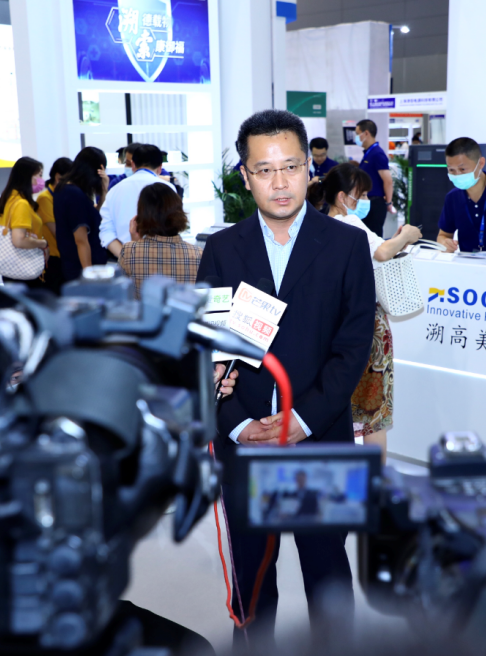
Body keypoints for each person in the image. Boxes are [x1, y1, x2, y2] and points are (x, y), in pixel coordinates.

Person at [196, 109, 375, 651]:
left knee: (327, 577)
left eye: (291, 166)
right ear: (245, 176)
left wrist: (302, 420)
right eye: (265, 169)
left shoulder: (346, 245)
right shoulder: (222, 249)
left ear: (309, 169)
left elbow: (352, 348)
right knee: (252, 585)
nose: (280, 182)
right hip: (245, 443)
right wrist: (236, 424)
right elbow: (206, 349)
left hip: (318, 438)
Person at [308, 163, 422, 461]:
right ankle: (375, 481)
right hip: (366, 328)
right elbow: (382, 252)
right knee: (375, 413)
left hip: (332, 326)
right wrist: (406, 235)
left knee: (337, 404)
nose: (366, 200)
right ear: (343, 197)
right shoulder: (351, 223)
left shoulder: (317, 225)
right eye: (362, 195)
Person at [119, 182, 201, 298]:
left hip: (145, 310)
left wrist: (135, 241)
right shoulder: (198, 254)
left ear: (142, 215)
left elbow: (122, 296)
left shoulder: (129, 251)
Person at [100, 144, 176, 260]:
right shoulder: (168, 188)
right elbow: (173, 226)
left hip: (124, 258)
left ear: (133, 165)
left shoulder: (115, 190)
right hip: (162, 258)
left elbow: (106, 232)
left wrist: (127, 258)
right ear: (160, 167)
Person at [54, 147, 111, 282]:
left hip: (73, 264)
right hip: (82, 268)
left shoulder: (65, 189)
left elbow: (94, 216)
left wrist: (104, 191)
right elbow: (81, 241)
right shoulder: (75, 194)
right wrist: (89, 275)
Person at [0, 156, 48, 287]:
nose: (41, 180)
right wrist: (43, 243)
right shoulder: (21, 203)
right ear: (27, 176)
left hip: (10, 266)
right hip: (25, 266)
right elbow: (18, 240)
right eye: (39, 175)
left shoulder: (8, 198)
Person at [36, 156, 73, 293]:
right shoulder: (45, 199)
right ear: (56, 176)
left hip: (66, 257)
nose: (67, 184)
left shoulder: (67, 196)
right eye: (62, 179)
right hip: (54, 259)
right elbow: (58, 233)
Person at [353, 119, 393, 238]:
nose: (356, 137)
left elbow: (388, 180)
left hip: (375, 204)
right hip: (367, 202)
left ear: (366, 133)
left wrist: (388, 202)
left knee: (374, 237)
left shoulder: (377, 154)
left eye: (357, 133)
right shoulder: (369, 153)